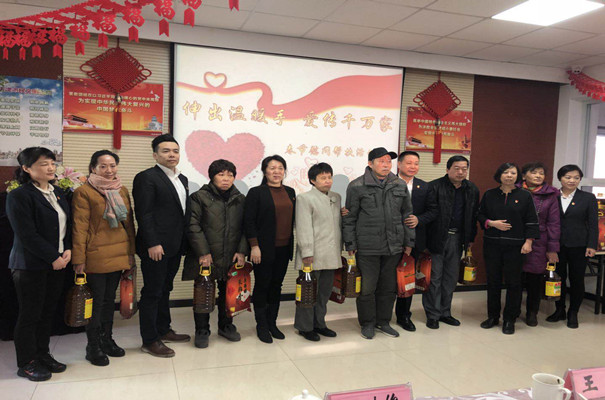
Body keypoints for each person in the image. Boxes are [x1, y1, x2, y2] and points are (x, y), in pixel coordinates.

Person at [6, 147, 71, 381]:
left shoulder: (59, 193)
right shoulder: (19, 195)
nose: (51, 167)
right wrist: (53, 257)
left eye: (52, 163)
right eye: (44, 164)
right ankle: (26, 362)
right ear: (26, 168)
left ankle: (42, 354)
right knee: (30, 314)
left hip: (58, 262)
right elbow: (26, 234)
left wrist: (67, 249)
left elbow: (66, 226)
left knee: (47, 312)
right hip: (30, 264)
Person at [71, 150, 136, 366]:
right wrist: (79, 259)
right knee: (96, 303)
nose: (109, 170)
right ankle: (93, 346)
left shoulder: (122, 189)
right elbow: (79, 228)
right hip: (95, 255)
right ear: (93, 168)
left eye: (112, 165)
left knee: (109, 301)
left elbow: (129, 225)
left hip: (118, 253)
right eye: (103, 166)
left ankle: (107, 340)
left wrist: (131, 254)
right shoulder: (83, 192)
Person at [342, 147, 414, 340]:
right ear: (370, 163)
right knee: (367, 288)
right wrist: (350, 244)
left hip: (393, 246)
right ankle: (367, 323)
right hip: (368, 247)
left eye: (388, 161)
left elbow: (407, 215)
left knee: (388, 288)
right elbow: (349, 218)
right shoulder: (357, 186)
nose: (386, 165)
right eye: (381, 161)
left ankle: (383, 321)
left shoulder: (399, 184)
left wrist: (409, 241)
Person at [133, 134, 191, 357]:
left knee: (165, 288)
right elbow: (144, 213)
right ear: (155, 155)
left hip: (175, 245)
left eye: (175, 151)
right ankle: (149, 340)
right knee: (152, 292)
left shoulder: (182, 179)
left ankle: (164, 329)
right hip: (155, 247)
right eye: (165, 151)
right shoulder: (146, 178)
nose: (171, 155)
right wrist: (153, 242)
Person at [182, 159, 248, 348]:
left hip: (232, 254)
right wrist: (203, 252)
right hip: (206, 255)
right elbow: (193, 226)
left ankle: (226, 326)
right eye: (221, 174)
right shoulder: (199, 197)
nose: (226, 179)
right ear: (212, 176)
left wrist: (242, 251)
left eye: (230, 175)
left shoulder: (241, 199)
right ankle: (202, 330)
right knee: (204, 291)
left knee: (229, 292)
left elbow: (246, 228)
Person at [478, 163, 539, 335]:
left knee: (514, 283)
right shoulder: (490, 194)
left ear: (518, 176)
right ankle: (492, 316)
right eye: (506, 172)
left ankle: (509, 319)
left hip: (516, 246)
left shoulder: (525, 195)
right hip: (492, 245)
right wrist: (491, 223)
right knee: (493, 282)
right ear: (499, 175)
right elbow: (480, 215)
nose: (509, 175)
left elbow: (531, 220)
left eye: (513, 173)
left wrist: (529, 242)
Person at [244, 155, 295, 343]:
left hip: (284, 248)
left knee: (276, 286)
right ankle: (262, 326)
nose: (276, 171)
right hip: (263, 249)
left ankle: (272, 323)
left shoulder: (290, 192)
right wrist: (254, 246)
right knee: (262, 285)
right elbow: (249, 221)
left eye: (280, 168)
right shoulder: (256, 192)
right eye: (272, 168)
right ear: (265, 171)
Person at [423, 155, 479, 329]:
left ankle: (445, 312)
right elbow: (427, 215)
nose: (460, 172)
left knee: (450, 278)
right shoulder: (433, 187)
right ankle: (433, 314)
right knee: (434, 278)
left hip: (458, 238)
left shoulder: (472, 189)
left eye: (464, 168)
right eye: (456, 168)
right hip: (436, 238)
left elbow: (473, 216)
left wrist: (470, 238)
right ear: (447, 169)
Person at [294, 163, 342, 341]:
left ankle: (320, 324)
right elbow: (303, 227)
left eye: (329, 177)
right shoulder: (304, 198)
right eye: (323, 178)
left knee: (323, 293)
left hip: (331, 254)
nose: (327, 181)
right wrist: (307, 252)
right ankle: (305, 327)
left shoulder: (336, 197)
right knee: (308, 293)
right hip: (312, 255)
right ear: (313, 180)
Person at [547, 165, 599, 328]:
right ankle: (559, 310)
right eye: (568, 177)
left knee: (577, 279)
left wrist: (592, 245)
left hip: (579, 245)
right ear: (560, 178)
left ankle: (573, 312)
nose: (572, 180)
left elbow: (593, 224)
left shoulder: (588, 198)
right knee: (558, 279)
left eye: (576, 178)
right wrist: (549, 246)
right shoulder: (552, 197)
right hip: (557, 245)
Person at [394, 151, 437, 332]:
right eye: (409, 163)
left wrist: (419, 219)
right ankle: (382, 316)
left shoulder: (424, 187)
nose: (413, 167)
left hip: (414, 240)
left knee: (407, 278)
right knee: (388, 280)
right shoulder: (388, 183)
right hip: (391, 239)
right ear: (399, 165)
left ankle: (404, 315)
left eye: (416, 163)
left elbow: (433, 211)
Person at [518, 162, 560, 327]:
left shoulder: (550, 195)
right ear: (524, 176)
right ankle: (513, 310)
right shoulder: (515, 190)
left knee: (535, 279)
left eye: (541, 173)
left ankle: (532, 313)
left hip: (540, 241)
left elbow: (554, 223)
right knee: (515, 277)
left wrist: (552, 248)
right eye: (534, 172)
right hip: (515, 238)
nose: (538, 176)